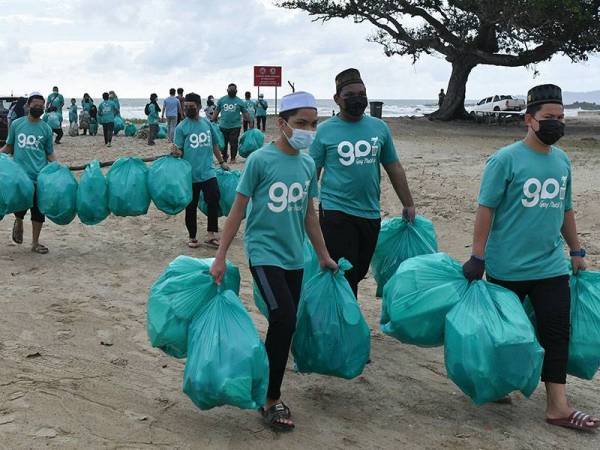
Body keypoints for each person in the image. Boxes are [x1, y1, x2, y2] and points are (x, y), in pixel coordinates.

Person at [462, 84, 599, 432]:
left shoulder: (562, 160)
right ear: (528, 120)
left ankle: (558, 406)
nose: (556, 124)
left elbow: (565, 209)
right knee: (508, 335)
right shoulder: (505, 160)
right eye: (549, 118)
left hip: (551, 266)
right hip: (507, 267)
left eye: (561, 118)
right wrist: (477, 257)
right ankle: (497, 384)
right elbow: (486, 209)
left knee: (556, 332)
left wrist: (577, 250)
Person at [210, 91, 337, 431]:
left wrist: (323, 255)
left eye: (313, 123)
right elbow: (238, 209)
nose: (308, 129)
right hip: (264, 253)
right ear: (282, 124)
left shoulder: (309, 165)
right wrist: (220, 256)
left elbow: (309, 214)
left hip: (295, 256)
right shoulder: (260, 161)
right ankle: (270, 398)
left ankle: (266, 381)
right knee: (283, 316)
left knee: (286, 324)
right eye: (300, 123)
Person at [310, 68, 416, 298]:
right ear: (337, 99)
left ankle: (346, 314)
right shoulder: (324, 131)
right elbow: (312, 173)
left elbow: (393, 166)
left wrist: (408, 203)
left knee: (358, 271)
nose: (357, 99)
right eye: (350, 95)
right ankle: (345, 323)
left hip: (370, 212)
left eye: (362, 93)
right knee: (344, 272)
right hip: (335, 211)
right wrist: (303, 211)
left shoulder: (379, 127)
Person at [1, 92, 58, 254]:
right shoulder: (17, 124)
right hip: (19, 176)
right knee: (19, 207)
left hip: (39, 177)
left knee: (38, 211)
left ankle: (34, 243)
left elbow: (49, 153)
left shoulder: (46, 129)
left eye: (41, 106)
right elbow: (9, 147)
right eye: (35, 105)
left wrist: (58, 166)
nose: (38, 108)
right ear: (28, 105)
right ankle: (18, 222)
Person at [171, 92, 228, 249]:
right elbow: (180, 151)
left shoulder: (207, 124)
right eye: (186, 107)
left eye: (192, 107)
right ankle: (192, 236)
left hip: (208, 171)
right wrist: (176, 153)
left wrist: (221, 161)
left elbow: (214, 144)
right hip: (190, 175)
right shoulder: (181, 128)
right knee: (191, 206)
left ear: (199, 107)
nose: (188, 109)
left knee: (214, 198)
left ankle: (211, 234)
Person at [212, 83, 249, 164]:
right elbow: (217, 111)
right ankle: (224, 157)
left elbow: (245, 113)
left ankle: (233, 158)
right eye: (230, 90)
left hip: (235, 126)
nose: (231, 91)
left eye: (233, 90)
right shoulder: (222, 100)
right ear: (227, 90)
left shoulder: (239, 101)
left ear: (236, 91)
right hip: (223, 126)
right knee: (223, 143)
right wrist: (213, 120)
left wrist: (250, 121)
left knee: (233, 143)